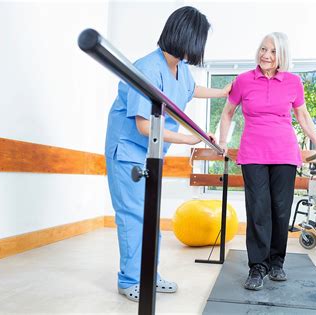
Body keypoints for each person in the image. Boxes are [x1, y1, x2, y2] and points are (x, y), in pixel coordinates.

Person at [105, 6, 231, 302]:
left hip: (151, 154)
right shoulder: (147, 68)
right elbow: (144, 125)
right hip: (127, 151)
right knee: (134, 216)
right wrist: (189, 138)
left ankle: (148, 274)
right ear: (186, 37)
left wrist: (222, 93)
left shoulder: (179, 68)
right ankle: (129, 279)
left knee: (150, 216)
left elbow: (190, 90)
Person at [218, 32, 316, 291]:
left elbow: (303, 115)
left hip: (285, 153)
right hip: (253, 153)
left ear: (282, 56)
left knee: (280, 209)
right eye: (263, 49)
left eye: (273, 51)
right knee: (258, 210)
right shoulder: (243, 80)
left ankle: (277, 261)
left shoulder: (293, 82)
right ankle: (257, 266)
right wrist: (222, 141)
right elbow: (228, 113)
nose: (266, 55)